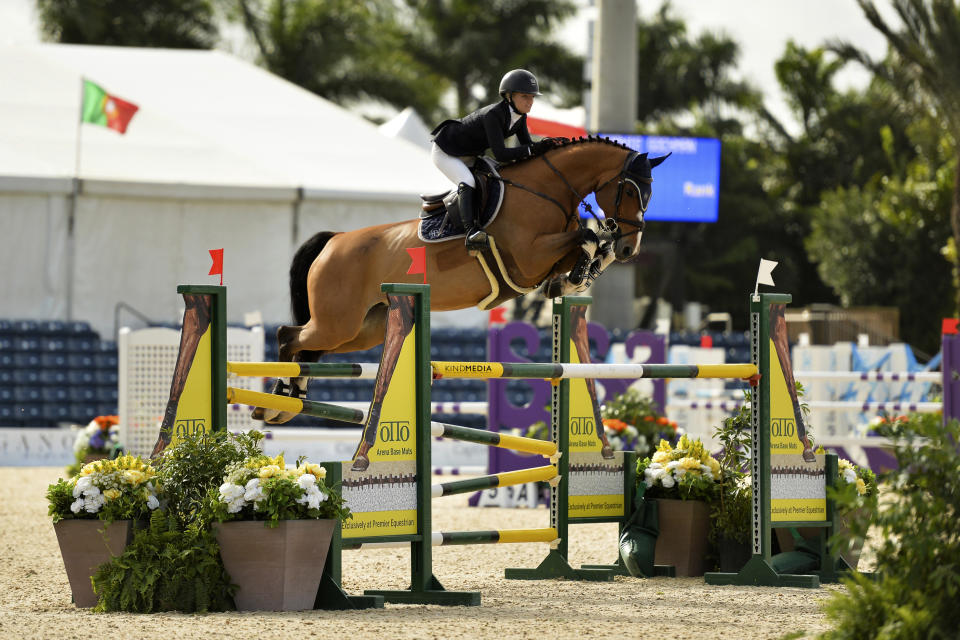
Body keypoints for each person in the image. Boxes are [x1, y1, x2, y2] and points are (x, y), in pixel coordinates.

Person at [430, 69, 558, 252]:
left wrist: (549, 148)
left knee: (494, 180)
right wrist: (533, 148)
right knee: (468, 181)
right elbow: (501, 154)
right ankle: (471, 232)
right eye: (525, 96)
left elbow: (528, 147)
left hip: (470, 154)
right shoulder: (493, 115)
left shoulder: (520, 118)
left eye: (532, 97)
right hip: (446, 151)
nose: (530, 102)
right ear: (509, 96)